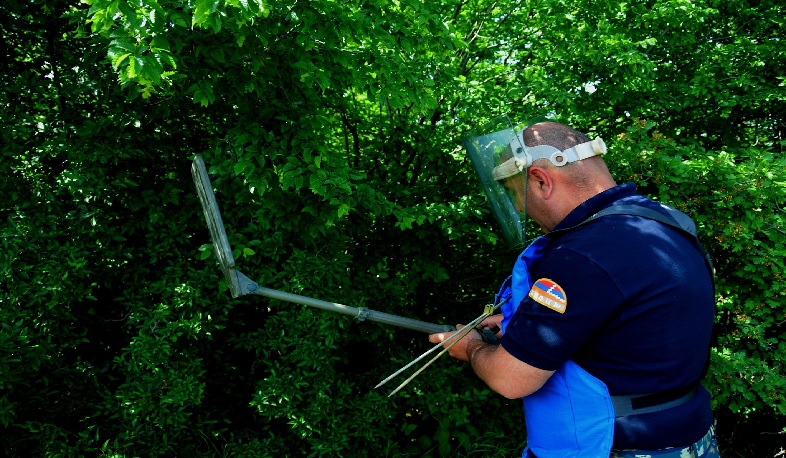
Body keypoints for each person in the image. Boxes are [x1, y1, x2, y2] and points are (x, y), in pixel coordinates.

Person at [430, 121, 719, 457]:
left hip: (618, 448)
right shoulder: (667, 222)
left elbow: (510, 379)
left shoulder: (582, 254)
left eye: (515, 192)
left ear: (540, 180)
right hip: (693, 439)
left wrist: (472, 348)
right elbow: (631, 327)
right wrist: (521, 328)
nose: (521, 208)